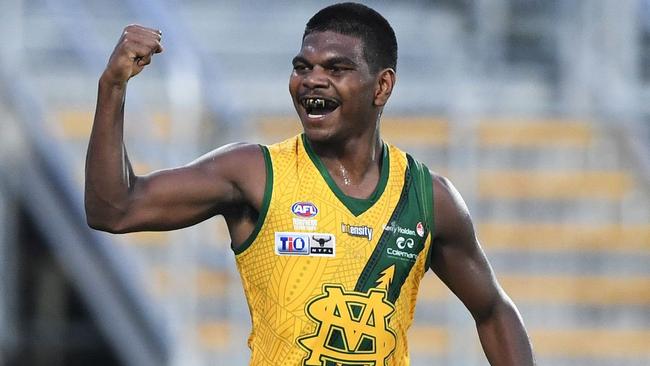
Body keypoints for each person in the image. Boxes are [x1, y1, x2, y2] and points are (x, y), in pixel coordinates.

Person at [85, 2, 535, 365]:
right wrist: (113, 87)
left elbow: (493, 311)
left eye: (335, 68)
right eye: (302, 67)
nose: (312, 80)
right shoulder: (256, 173)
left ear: (382, 87)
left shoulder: (426, 196)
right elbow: (114, 209)